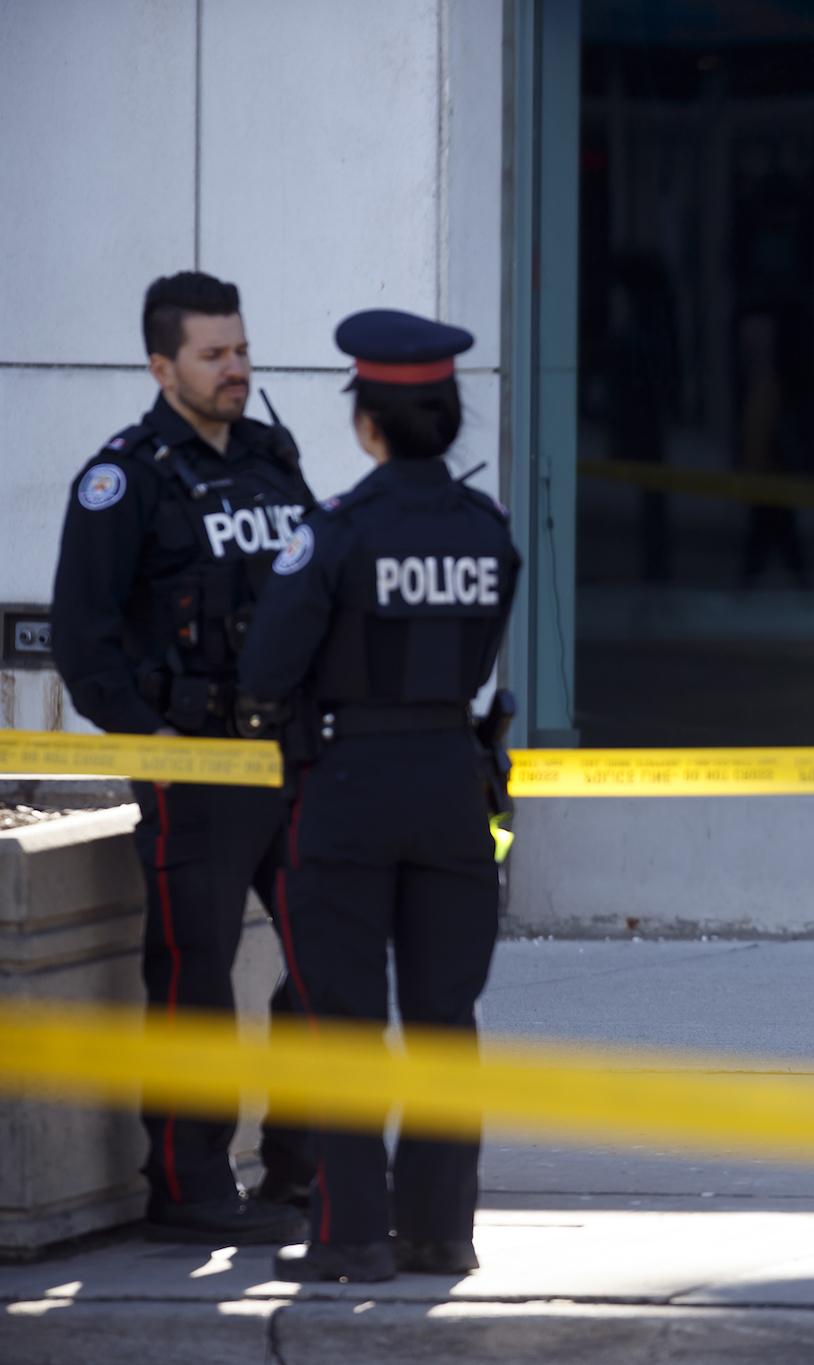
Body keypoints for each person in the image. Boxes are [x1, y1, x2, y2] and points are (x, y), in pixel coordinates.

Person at [239, 308, 520, 1283]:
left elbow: (267, 670)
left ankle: (350, 1236)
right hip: (453, 781)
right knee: (447, 1018)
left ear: (368, 425)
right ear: (448, 421)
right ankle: (441, 1233)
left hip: (348, 788)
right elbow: (477, 658)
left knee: (341, 1017)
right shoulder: (488, 533)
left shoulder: (337, 534)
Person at [51, 270, 316, 1244]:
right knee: (194, 978)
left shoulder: (270, 458)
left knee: (326, 956)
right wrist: (147, 737)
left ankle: (302, 1162)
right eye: (214, 355)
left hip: (288, 757)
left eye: (242, 349)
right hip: (194, 767)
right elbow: (83, 636)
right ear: (163, 366)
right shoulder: (124, 479)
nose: (236, 369)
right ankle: (190, 1185)